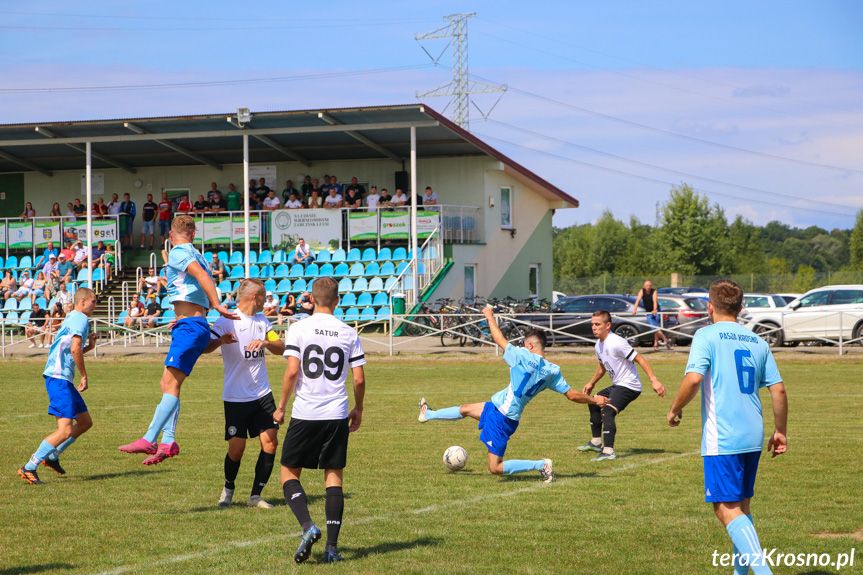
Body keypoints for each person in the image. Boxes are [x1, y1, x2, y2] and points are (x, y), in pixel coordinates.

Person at [667, 279, 788, 575]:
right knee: (742, 508)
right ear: (741, 307)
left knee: (726, 509)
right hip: (754, 434)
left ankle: (763, 572)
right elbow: (779, 390)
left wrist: (675, 407)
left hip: (724, 436)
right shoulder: (758, 341)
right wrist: (780, 431)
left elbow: (694, 379)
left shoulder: (706, 335)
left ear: (710, 307)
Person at [419, 306, 609, 482]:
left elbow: (499, 340)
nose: (522, 346)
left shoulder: (522, 356)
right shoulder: (552, 371)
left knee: (495, 468)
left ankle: (541, 465)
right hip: (500, 408)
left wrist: (489, 317)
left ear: (531, 346)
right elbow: (572, 395)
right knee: (466, 409)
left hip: (502, 416)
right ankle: (428, 414)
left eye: (524, 344)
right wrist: (594, 400)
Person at [118, 215, 238, 465]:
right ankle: (168, 440)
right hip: (194, 325)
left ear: (170, 236)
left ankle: (152, 438)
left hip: (191, 326)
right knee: (169, 385)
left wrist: (217, 306)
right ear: (194, 234)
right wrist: (188, 318)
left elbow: (203, 279)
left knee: (168, 384)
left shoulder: (177, 252)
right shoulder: (198, 254)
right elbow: (201, 283)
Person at [273, 276, 366, 564]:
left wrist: (281, 407)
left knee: (289, 473)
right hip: (336, 412)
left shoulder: (298, 328)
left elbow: (291, 372)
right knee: (333, 476)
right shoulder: (349, 332)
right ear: (338, 300)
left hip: (306, 412)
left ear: (311, 299)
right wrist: (358, 408)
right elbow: (359, 378)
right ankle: (332, 549)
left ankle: (307, 526)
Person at [204, 279, 285, 509]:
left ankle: (255, 496)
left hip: (262, 394)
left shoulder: (262, 321)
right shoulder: (227, 320)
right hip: (236, 397)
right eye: (264, 297)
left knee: (270, 443)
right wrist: (221, 340)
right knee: (236, 449)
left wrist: (266, 344)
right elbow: (205, 347)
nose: (266, 301)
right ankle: (228, 489)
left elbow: (281, 348)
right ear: (255, 297)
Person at [17, 288, 97, 484]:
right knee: (65, 431)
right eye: (94, 301)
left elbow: (71, 350)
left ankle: (52, 456)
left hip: (62, 378)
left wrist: (90, 347)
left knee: (85, 422)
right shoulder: (80, 318)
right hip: (58, 377)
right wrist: (84, 376)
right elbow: (74, 348)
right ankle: (29, 467)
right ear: (83, 301)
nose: (96, 305)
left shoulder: (72, 317)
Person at [577, 310, 667, 461]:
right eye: (592, 324)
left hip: (630, 386)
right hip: (618, 384)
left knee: (607, 412)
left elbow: (640, 359)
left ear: (608, 325)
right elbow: (602, 367)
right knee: (594, 402)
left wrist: (654, 380)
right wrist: (591, 383)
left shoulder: (617, 342)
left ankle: (608, 451)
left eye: (597, 324)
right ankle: (596, 442)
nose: (594, 327)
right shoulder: (599, 344)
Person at [632, 280, 671, 351]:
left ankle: (655, 345)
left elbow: (655, 301)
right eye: (647, 285)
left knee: (656, 328)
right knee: (654, 328)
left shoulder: (654, 291)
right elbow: (637, 300)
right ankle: (666, 340)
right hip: (648, 312)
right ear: (644, 286)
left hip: (657, 310)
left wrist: (655, 310)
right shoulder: (642, 291)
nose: (648, 287)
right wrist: (635, 310)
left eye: (650, 285)